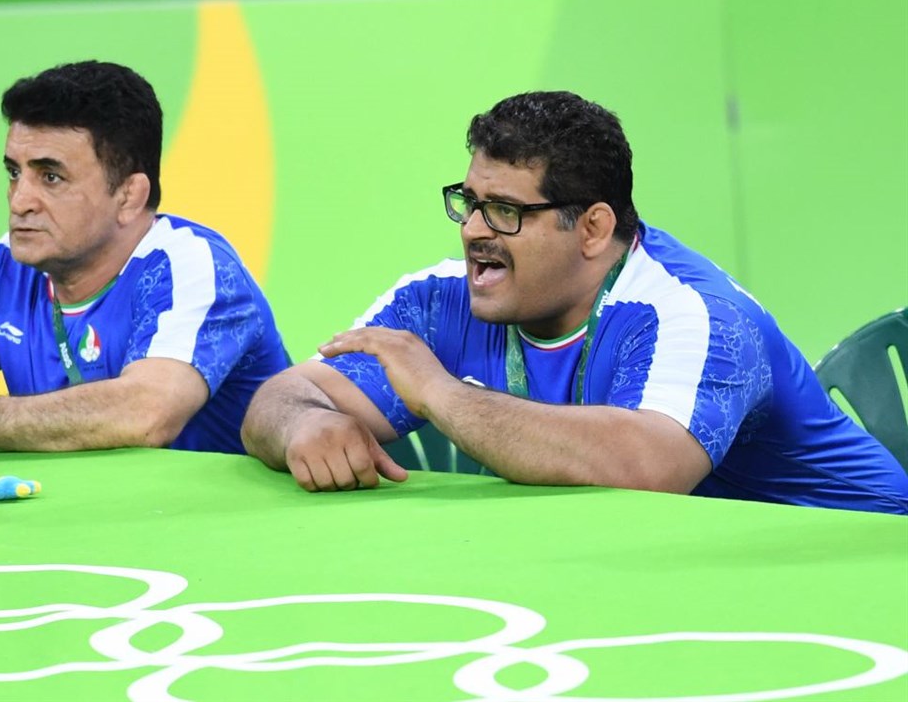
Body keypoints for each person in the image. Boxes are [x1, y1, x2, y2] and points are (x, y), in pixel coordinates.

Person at [241, 91, 908, 515]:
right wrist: (305, 427)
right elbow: (280, 397)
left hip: (847, 562)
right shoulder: (439, 301)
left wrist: (440, 394)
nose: (473, 230)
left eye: (505, 211)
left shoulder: (692, 314)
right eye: (469, 202)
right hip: (668, 568)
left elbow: (646, 469)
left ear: (592, 228)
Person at [0, 60, 289, 455]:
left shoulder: (191, 266)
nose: (19, 201)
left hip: (212, 527)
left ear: (129, 195)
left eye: (50, 177)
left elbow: (146, 413)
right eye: (14, 173)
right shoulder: (0, 271)